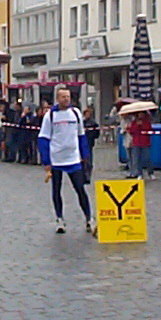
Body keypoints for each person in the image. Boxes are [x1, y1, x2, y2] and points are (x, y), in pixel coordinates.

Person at [38, 87, 93, 234]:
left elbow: (81, 135)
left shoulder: (75, 113)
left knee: (80, 189)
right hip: (56, 159)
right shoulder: (50, 116)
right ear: (57, 98)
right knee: (56, 190)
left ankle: (89, 218)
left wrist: (85, 154)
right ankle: (59, 219)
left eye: (68, 97)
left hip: (73, 158)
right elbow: (43, 138)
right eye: (63, 97)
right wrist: (46, 160)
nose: (66, 99)